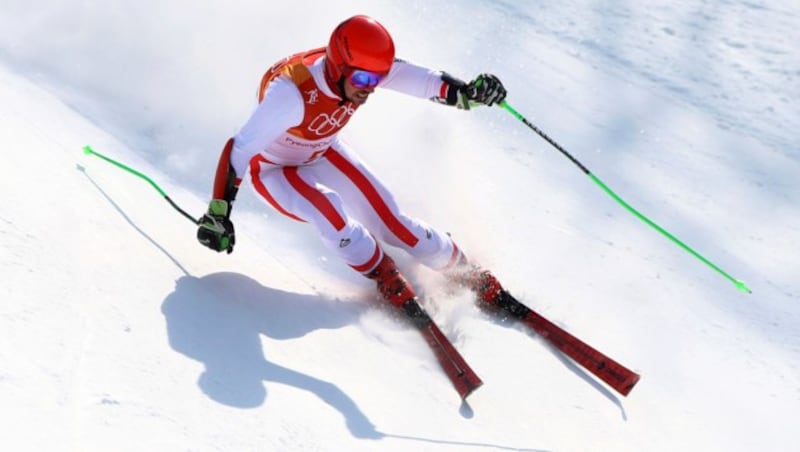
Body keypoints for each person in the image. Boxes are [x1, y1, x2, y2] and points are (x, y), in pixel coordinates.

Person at [197, 15, 508, 314]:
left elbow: (423, 82)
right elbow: (237, 150)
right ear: (338, 68)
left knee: (393, 222)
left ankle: (464, 269)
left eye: (377, 79)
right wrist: (218, 212)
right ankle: (382, 273)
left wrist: (468, 93)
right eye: (362, 78)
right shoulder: (291, 94)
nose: (369, 88)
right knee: (330, 211)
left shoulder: (363, 67)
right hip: (275, 171)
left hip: (322, 151)